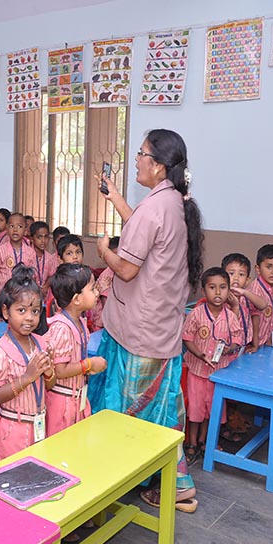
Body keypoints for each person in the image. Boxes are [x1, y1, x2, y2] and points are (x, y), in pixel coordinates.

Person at [90, 129, 204, 513]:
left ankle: (121, 479)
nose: (136, 160)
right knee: (164, 408)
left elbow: (126, 268)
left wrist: (104, 251)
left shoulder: (155, 208)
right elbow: (144, 229)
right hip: (162, 329)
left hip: (140, 333)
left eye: (141, 154)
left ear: (157, 166)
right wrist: (117, 199)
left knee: (133, 412)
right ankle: (177, 483)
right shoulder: (173, 202)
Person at [0, 266, 55, 465]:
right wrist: (27, 377)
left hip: (38, 426)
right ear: (6, 312)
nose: (29, 317)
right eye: (21, 310)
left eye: (35, 311)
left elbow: (49, 386)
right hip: (12, 430)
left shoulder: (41, 343)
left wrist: (49, 373)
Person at [182, 267, 243, 465]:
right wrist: (200, 354)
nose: (218, 292)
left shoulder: (230, 316)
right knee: (196, 410)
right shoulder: (197, 314)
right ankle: (191, 442)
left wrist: (229, 348)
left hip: (218, 374)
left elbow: (238, 338)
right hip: (197, 372)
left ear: (229, 291)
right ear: (203, 290)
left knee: (212, 409)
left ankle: (204, 441)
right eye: (212, 287)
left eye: (223, 287)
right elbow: (187, 339)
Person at [45, 264, 106, 436]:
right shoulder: (61, 328)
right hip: (62, 404)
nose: (97, 293)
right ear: (77, 299)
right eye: (92, 289)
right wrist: (89, 364)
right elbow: (60, 370)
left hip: (77, 398)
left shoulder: (79, 321)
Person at [221, 253, 266, 352]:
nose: (236, 278)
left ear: (247, 280)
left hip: (244, 346)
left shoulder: (246, 298)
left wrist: (245, 292)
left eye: (241, 274)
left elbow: (263, 305)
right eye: (231, 273)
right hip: (227, 347)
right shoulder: (221, 298)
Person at [247, 244, 273, 351]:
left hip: (265, 341)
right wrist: (255, 345)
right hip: (252, 344)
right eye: (269, 267)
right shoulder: (256, 290)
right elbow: (255, 319)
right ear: (258, 269)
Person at [0, 212, 37, 292]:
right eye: (12, 226)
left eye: (19, 226)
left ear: (25, 230)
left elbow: (33, 275)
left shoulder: (30, 252)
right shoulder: (0, 250)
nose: (15, 230)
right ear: (7, 229)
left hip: (24, 293)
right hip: (5, 293)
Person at [90, 236, 119, 330]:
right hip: (102, 321)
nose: (117, 258)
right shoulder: (107, 275)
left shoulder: (120, 272)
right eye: (114, 255)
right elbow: (105, 303)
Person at [30, 221, 58, 298]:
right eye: (39, 237)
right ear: (31, 238)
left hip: (45, 295)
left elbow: (52, 275)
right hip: (29, 294)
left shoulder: (49, 258)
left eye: (46, 237)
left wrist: (46, 286)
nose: (43, 241)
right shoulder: (27, 256)